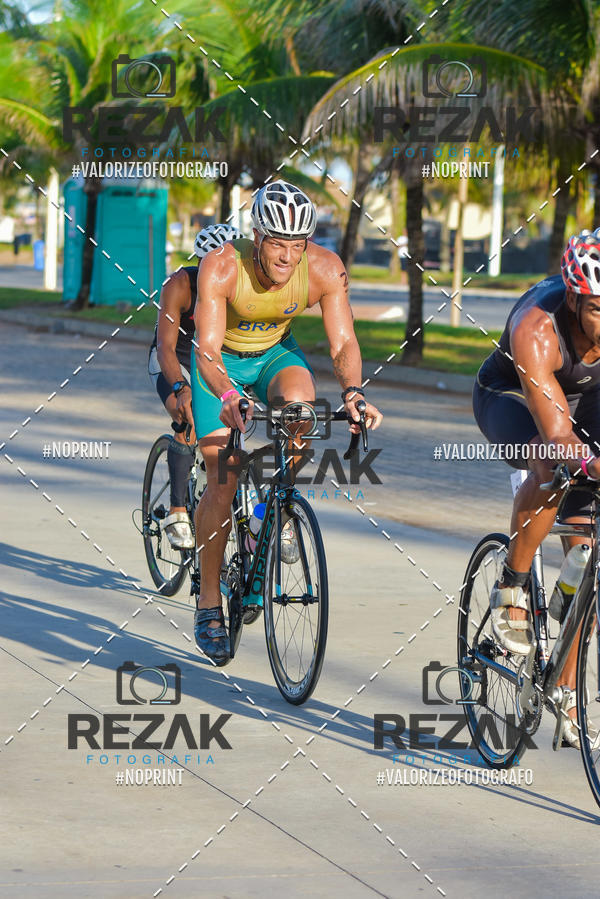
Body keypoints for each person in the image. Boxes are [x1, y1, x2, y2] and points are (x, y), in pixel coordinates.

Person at [190, 179, 383, 664]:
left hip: (274, 356)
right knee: (222, 476)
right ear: (257, 236)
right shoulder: (221, 266)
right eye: (278, 243)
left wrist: (354, 393)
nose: (287, 257)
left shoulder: (324, 269)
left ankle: (263, 517)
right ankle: (209, 602)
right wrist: (228, 395)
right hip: (220, 366)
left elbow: (343, 343)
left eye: (297, 245)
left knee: (301, 413)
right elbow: (206, 350)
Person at [473, 227, 600, 747]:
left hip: (588, 400)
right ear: (573, 299)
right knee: (551, 464)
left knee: (586, 559)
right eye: (598, 309)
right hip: (512, 397)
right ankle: (511, 586)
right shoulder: (537, 328)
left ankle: (565, 690)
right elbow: (559, 436)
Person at [148, 223, 243, 549]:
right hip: (174, 359)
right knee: (188, 416)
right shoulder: (178, 285)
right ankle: (177, 511)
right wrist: (180, 387)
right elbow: (165, 347)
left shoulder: (239, 288)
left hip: (211, 361)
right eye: (209, 264)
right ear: (199, 262)